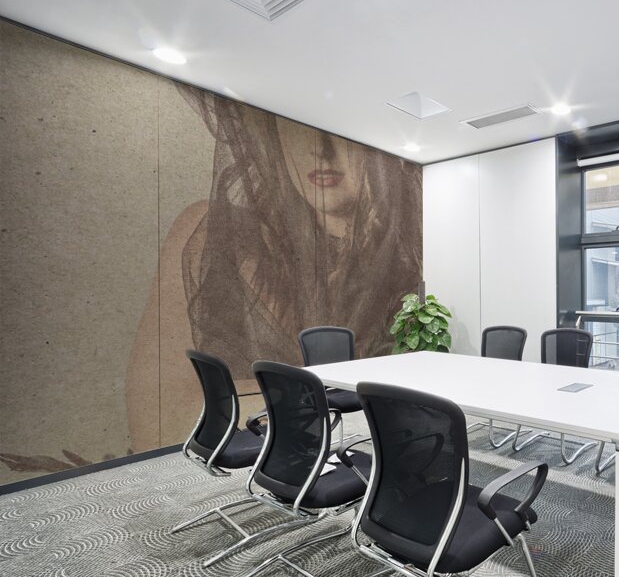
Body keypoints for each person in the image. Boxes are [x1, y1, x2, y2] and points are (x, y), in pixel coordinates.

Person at [126, 84, 422, 452]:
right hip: (295, 449)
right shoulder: (210, 236)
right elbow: (161, 421)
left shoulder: (414, 252)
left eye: (342, 133)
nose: (321, 149)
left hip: (325, 442)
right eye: (301, 127)